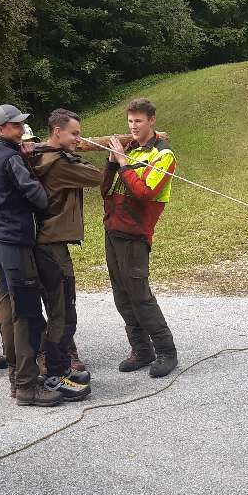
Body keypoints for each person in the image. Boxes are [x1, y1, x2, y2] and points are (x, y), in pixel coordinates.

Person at [0, 104, 63, 407]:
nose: (21, 131)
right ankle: (28, 386)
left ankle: (17, 380)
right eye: (16, 126)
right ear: (1, 129)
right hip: (17, 244)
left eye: (21, 125)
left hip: (2, 243)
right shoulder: (12, 158)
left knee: (8, 311)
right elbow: (39, 197)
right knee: (26, 315)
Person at [25, 109, 101, 398]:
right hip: (51, 243)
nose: (78, 139)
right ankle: (55, 367)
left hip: (47, 241)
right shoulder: (56, 163)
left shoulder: (41, 155)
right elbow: (95, 177)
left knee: (59, 306)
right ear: (57, 132)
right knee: (63, 309)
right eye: (74, 134)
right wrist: (115, 158)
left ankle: (58, 360)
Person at [101, 97, 178, 377]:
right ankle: (141, 349)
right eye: (130, 121)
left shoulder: (164, 155)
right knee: (122, 296)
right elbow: (105, 190)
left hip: (136, 233)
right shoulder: (130, 149)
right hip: (113, 229)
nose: (133, 126)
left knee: (140, 295)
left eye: (139, 121)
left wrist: (123, 161)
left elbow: (144, 192)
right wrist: (111, 163)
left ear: (152, 120)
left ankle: (166, 351)